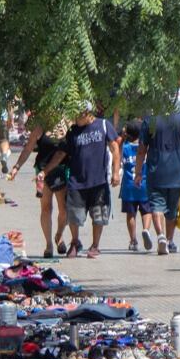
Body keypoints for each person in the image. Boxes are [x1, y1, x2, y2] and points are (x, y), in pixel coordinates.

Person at [43, 104, 119, 259]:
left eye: (77, 115)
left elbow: (115, 148)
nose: (74, 118)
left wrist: (116, 172)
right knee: (74, 216)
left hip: (99, 181)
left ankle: (95, 245)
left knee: (99, 215)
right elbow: (61, 153)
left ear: (87, 113)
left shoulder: (103, 125)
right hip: (77, 181)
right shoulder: (73, 131)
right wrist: (45, 171)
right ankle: (75, 242)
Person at [9, 119, 70, 258]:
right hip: (42, 172)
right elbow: (28, 148)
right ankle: (48, 244)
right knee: (46, 208)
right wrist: (16, 167)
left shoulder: (66, 125)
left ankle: (59, 235)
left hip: (61, 169)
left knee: (64, 209)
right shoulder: (40, 127)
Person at [142, 106, 180, 256]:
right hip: (178, 172)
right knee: (172, 210)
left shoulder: (149, 122)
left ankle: (160, 235)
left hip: (156, 171)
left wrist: (137, 173)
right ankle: (169, 240)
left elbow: (142, 148)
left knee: (156, 205)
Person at [119, 120, 151, 252]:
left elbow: (116, 146)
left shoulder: (125, 147)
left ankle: (133, 241)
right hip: (144, 184)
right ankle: (146, 230)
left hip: (128, 186)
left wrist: (122, 136)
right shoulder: (145, 147)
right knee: (147, 211)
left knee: (130, 214)